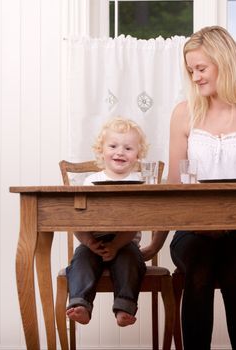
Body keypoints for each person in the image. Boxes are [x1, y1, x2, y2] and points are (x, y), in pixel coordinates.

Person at [141, 26, 236, 349]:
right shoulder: (184, 115)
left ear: (226, 63)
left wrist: (233, 223)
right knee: (200, 270)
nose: (195, 77)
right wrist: (154, 245)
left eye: (201, 69)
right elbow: (173, 189)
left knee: (234, 270)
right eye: (191, 70)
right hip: (193, 232)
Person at [66, 117, 149, 327]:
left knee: (131, 261)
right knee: (81, 260)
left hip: (125, 242)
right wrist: (87, 241)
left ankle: (124, 307)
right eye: (113, 146)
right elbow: (77, 219)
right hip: (93, 242)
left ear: (138, 154)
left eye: (128, 148)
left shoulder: (139, 182)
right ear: (101, 150)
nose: (120, 152)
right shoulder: (90, 182)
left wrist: (115, 245)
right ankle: (81, 304)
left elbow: (135, 224)